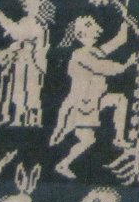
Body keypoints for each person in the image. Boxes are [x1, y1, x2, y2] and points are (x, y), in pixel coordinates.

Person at [50, 15, 131, 179]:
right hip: (83, 103)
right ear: (80, 35)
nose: (96, 31)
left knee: (120, 100)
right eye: (90, 28)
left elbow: (118, 41)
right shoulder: (80, 54)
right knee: (87, 140)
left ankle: (119, 138)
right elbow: (100, 67)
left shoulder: (94, 51)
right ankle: (63, 163)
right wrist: (126, 65)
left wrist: (125, 19)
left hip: (95, 99)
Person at [0, 0, 54, 127]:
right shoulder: (26, 20)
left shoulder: (38, 23)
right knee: (10, 89)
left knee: (22, 92)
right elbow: (15, 43)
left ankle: (20, 119)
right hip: (18, 63)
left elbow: (16, 33)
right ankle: (7, 116)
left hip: (28, 66)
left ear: (41, 0)